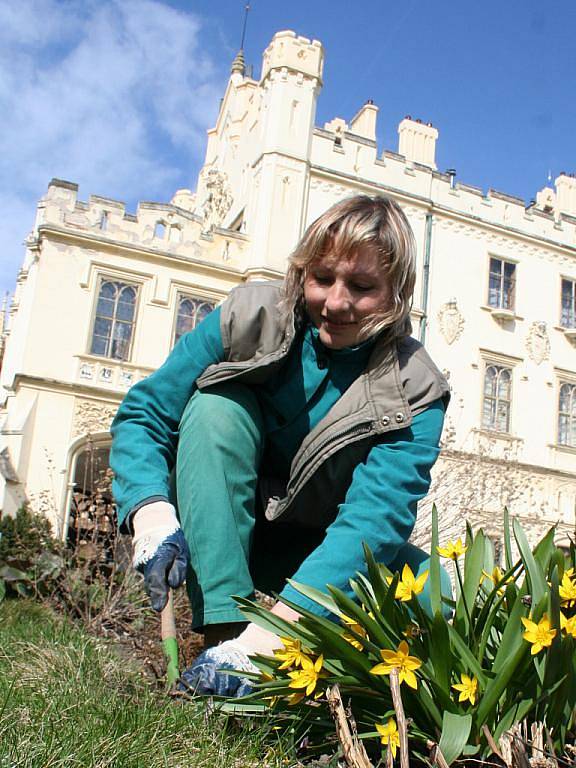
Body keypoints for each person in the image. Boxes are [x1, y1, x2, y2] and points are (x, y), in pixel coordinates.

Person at [110, 194, 450, 696]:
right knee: (214, 408)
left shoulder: (416, 387)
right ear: (302, 271)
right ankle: (222, 643)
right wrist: (151, 514)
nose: (335, 303)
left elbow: (373, 523)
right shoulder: (250, 316)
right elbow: (146, 412)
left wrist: (272, 638)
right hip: (223, 525)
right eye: (322, 278)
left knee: (440, 594)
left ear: (396, 295)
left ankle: (297, 677)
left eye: (361, 287)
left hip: (325, 551)